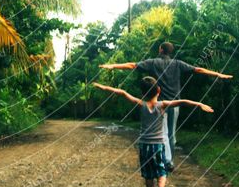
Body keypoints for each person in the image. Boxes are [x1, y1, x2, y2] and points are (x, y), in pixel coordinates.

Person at [99, 41, 232, 170]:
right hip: (174, 104)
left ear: (160, 50)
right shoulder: (178, 64)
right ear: (170, 52)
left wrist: (113, 66)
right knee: (171, 134)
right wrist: (217, 74)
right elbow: (198, 69)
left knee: (160, 134)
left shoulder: (152, 62)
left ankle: (160, 160)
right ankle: (169, 161)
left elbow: (132, 65)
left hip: (159, 105)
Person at [92, 77, 213, 187]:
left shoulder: (141, 104)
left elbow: (122, 92)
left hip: (144, 145)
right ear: (159, 90)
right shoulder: (162, 105)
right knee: (162, 172)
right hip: (158, 145)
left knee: (148, 175)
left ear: (143, 94)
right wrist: (199, 104)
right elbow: (183, 101)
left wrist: (102, 87)